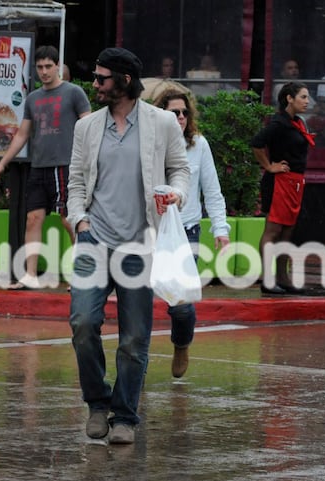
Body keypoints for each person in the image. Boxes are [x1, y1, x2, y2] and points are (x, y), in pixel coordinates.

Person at [67, 47, 190, 444]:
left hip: (140, 246)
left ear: (123, 80)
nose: (95, 85)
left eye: (102, 79)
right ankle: (98, 403)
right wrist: (79, 219)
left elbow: (180, 170)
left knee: (134, 340)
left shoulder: (163, 123)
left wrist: (175, 193)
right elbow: (75, 183)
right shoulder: (87, 127)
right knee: (83, 325)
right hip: (93, 240)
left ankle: (124, 416)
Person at [0, 45, 91, 289]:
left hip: (65, 166)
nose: (44, 71)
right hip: (39, 166)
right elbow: (22, 134)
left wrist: (90, 160)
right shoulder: (32, 98)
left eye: (48, 66)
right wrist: (2, 163)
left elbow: (90, 126)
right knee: (33, 219)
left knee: (69, 219)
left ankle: (82, 273)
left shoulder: (74, 93)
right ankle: (30, 275)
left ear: (58, 66)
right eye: (39, 67)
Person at [153, 89, 230, 378]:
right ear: (162, 114)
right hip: (148, 232)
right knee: (136, 303)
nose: (181, 117)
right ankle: (137, 363)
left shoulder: (198, 145)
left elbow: (212, 191)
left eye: (185, 112)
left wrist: (220, 230)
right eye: (174, 112)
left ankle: (181, 344)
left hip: (186, 232)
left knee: (181, 307)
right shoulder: (148, 144)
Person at [250, 81, 314, 295]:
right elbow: (257, 143)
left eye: (307, 97)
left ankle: (282, 277)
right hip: (280, 182)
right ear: (289, 98)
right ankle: (267, 280)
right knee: (273, 231)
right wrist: (269, 166)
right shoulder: (279, 123)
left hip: (295, 182)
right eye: (303, 97)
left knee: (287, 231)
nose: (307, 101)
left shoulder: (298, 122)